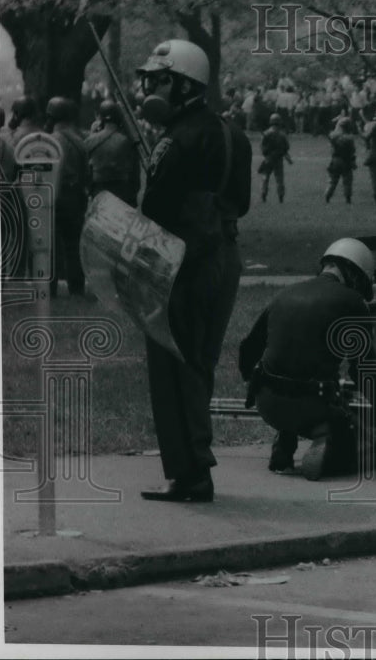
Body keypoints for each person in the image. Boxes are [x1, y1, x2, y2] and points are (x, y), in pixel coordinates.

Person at [135, 38, 252, 502]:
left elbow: (153, 207)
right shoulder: (233, 134)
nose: (149, 87)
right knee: (200, 362)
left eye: (158, 79)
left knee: (173, 365)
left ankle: (189, 473)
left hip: (183, 261)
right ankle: (195, 465)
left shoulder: (174, 140)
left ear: (183, 83)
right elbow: (240, 201)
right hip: (224, 253)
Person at [238, 238, 376, 480]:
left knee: (292, 385)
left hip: (266, 403)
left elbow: (247, 350)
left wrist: (256, 380)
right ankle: (326, 437)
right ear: (355, 276)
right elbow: (363, 372)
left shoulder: (285, 294)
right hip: (312, 404)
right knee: (362, 446)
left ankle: (285, 441)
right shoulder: (352, 302)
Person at [46, 96, 90, 298]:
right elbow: (87, 174)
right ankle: (77, 288)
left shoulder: (49, 141)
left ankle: (50, 289)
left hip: (53, 195)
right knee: (73, 245)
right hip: (74, 197)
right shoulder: (80, 142)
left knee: (50, 246)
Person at [84, 99, 141, 207]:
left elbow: (85, 175)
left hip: (97, 196)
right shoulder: (128, 142)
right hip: (123, 198)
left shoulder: (89, 141)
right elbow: (135, 181)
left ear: (100, 118)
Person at [260, 113, 293, 203]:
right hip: (278, 159)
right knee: (279, 179)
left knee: (265, 177)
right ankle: (280, 196)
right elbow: (286, 147)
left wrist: (266, 155)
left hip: (268, 159)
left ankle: (263, 193)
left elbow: (262, 147)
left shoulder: (266, 133)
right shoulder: (282, 134)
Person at [325, 116, 356, 204]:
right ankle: (347, 198)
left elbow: (329, 131)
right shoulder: (350, 138)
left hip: (335, 160)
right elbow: (352, 151)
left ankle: (328, 195)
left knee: (333, 180)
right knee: (347, 181)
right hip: (346, 161)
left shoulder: (334, 136)